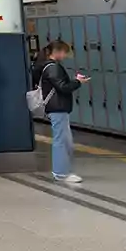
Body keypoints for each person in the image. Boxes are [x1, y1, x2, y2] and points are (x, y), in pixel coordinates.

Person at [33, 40, 88, 184]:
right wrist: (77, 82)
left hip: (56, 107)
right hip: (57, 107)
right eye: (64, 52)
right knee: (61, 141)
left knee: (65, 140)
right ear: (56, 51)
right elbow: (63, 87)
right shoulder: (53, 68)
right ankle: (61, 173)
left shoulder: (46, 66)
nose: (65, 55)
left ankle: (64, 170)